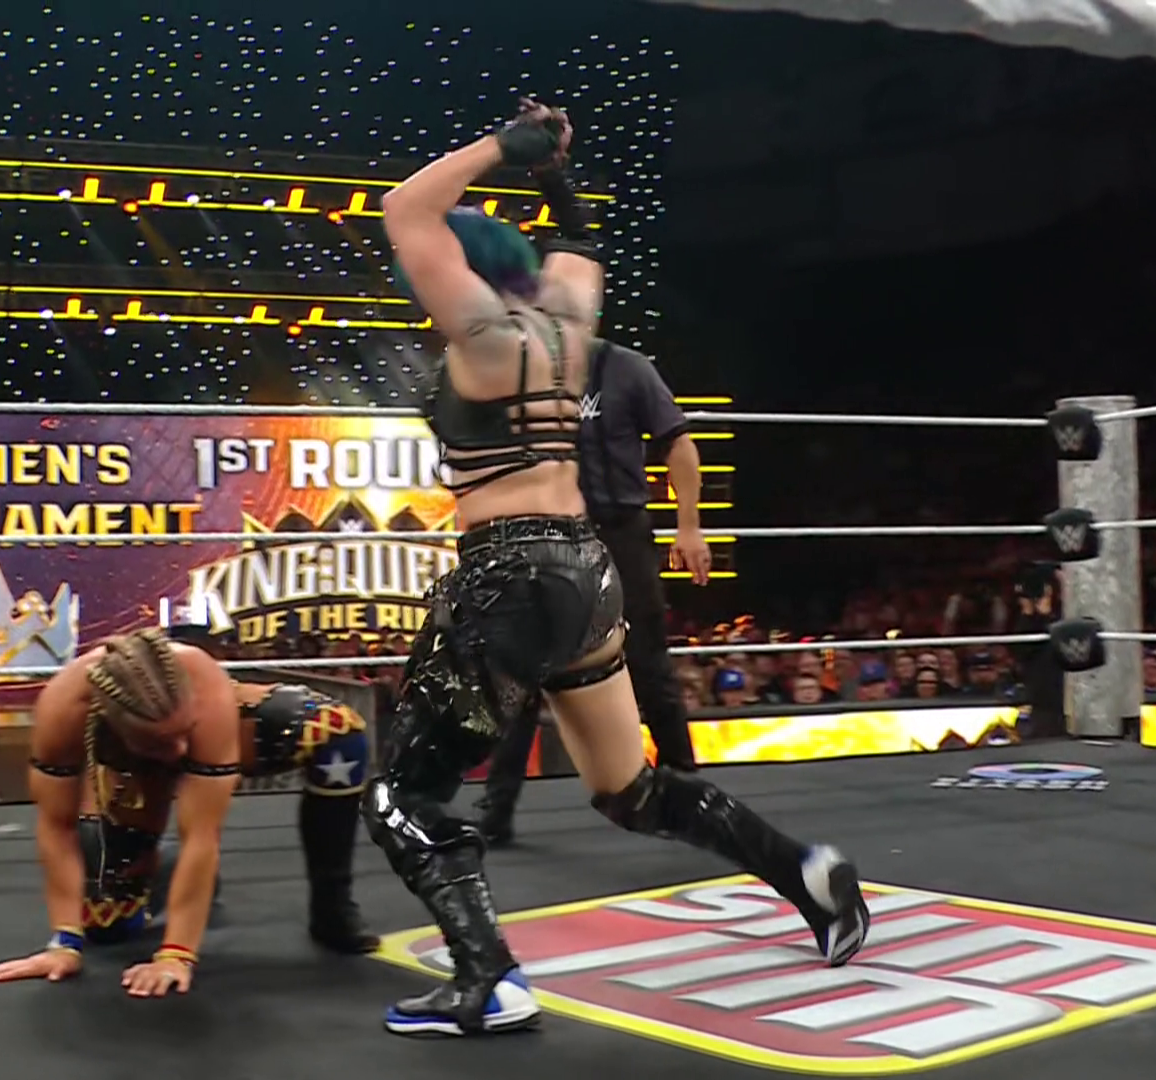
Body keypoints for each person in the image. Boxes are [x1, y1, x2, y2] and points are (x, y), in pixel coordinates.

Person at [364, 98, 870, 1038]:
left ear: (460, 273)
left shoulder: (482, 336)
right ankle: (807, 872)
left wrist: (501, 147)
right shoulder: (568, 325)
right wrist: (552, 172)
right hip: (586, 569)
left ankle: (487, 976)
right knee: (628, 788)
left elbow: (405, 208)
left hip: (508, 574)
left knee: (402, 796)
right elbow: (581, 241)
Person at [0, 628, 378, 998]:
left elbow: (203, 835)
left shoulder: (205, 690)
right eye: (163, 742)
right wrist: (64, 942)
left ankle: (333, 908)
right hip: (129, 766)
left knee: (337, 729)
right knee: (107, 927)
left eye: (181, 735)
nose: (180, 752)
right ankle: (162, 868)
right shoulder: (64, 708)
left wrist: (176, 954)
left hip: (216, 728)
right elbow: (57, 826)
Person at [474, 336, 709, 844]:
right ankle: (496, 812)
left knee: (648, 663)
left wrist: (688, 526)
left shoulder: (627, 368)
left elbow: (678, 444)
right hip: (545, 535)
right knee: (520, 669)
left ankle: (688, 798)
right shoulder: (522, 376)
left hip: (620, 529)